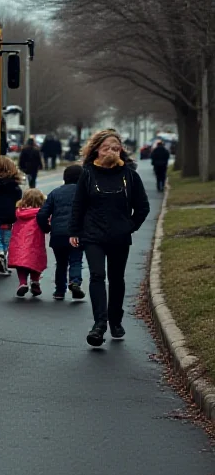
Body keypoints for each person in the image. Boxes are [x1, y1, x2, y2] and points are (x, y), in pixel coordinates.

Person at [70, 129, 150, 347]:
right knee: (97, 275)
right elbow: (78, 205)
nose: (111, 151)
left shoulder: (130, 175)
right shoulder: (87, 174)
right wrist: (75, 231)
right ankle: (99, 325)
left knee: (116, 279)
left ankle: (116, 319)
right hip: (93, 234)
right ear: (97, 149)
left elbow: (143, 207)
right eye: (107, 147)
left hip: (119, 236)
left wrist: (130, 226)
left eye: (116, 148)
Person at [37, 164, 86, 301]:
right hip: (77, 233)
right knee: (76, 260)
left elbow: (42, 214)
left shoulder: (55, 193)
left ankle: (59, 291)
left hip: (58, 234)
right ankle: (75, 282)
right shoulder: (84, 193)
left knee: (61, 263)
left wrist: (46, 228)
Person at [8, 188, 48, 297]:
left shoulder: (18, 212)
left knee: (21, 264)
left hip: (19, 243)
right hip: (35, 243)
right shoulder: (41, 213)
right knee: (36, 261)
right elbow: (47, 224)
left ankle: (23, 283)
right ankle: (35, 281)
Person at [0, 155, 23, 274]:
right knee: (6, 239)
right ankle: (3, 256)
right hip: (9, 217)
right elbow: (19, 201)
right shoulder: (15, 186)